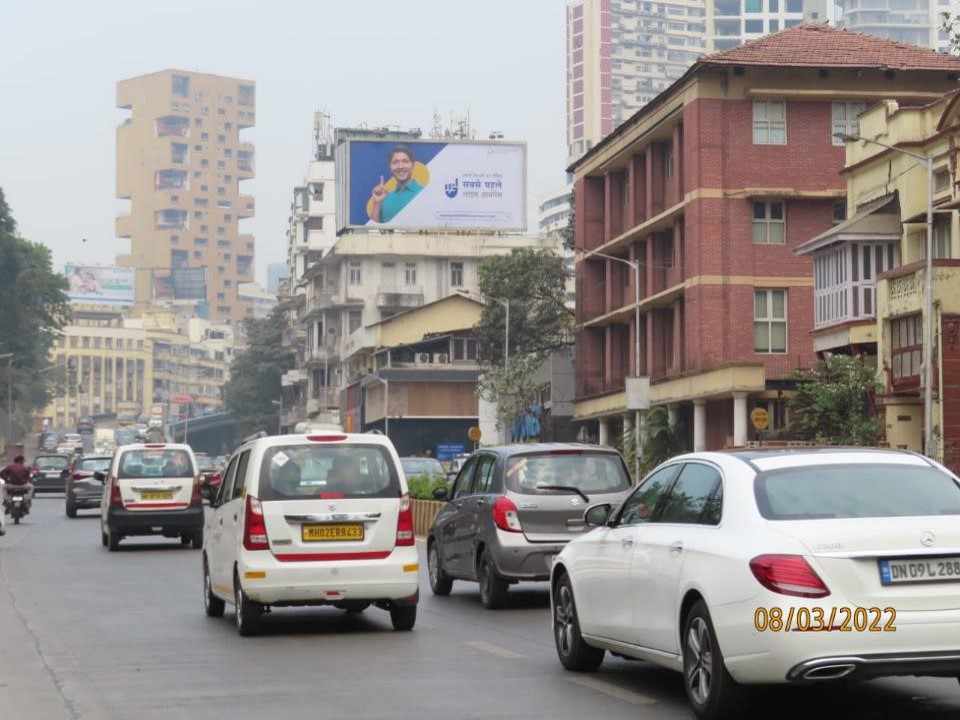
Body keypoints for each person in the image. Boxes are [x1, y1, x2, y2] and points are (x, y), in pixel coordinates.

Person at [368, 145, 424, 223]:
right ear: (390, 167)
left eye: (405, 161)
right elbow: (373, 228)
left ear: (413, 165)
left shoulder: (424, 192)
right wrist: (377, 203)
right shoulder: (385, 198)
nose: (400, 166)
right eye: (395, 162)